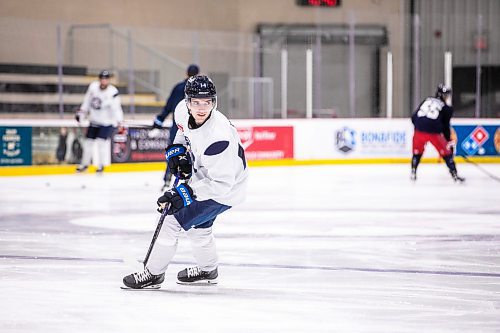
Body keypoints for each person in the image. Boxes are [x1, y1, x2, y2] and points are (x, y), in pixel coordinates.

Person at [123, 75, 248, 289]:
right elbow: (183, 133)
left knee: (171, 220)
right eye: (196, 102)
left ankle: (153, 274)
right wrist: (178, 152)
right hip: (206, 175)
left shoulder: (219, 137)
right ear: (188, 102)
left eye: (207, 102)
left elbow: (221, 184)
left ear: (214, 102)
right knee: (199, 227)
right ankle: (208, 269)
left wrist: (184, 193)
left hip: (225, 188)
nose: (201, 108)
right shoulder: (182, 109)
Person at [152, 64, 200, 190]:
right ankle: (192, 182)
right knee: (194, 155)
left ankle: (167, 179)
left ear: (186, 73)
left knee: (174, 153)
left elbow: (168, 107)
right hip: (196, 130)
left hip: (177, 128)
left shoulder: (179, 88)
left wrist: (159, 121)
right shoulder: (200, 89)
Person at [411, 83, 465, 182]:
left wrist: (419, 127)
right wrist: (448, 141)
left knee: (417, 152)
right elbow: (445, 127)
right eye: (446, 95)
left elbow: (414, 117)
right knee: (446, 153)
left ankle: (413, 171)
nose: (447, 97)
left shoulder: (427, 100)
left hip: (419, 130)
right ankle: (454, 174)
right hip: (433, 132)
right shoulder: (447, 109)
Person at [75, 70, 124, 173]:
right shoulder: (93, 87)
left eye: (106, 79)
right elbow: (87, 102)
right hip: (94, 121)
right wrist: (81, 114)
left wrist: (120, 121)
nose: (104, 81)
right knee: (88, 143)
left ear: (109, 80)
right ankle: (84, 164)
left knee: (102, 144)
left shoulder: (113, 92)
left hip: (106, 123)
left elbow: (116, 108)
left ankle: (101, 165)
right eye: (102, 78)